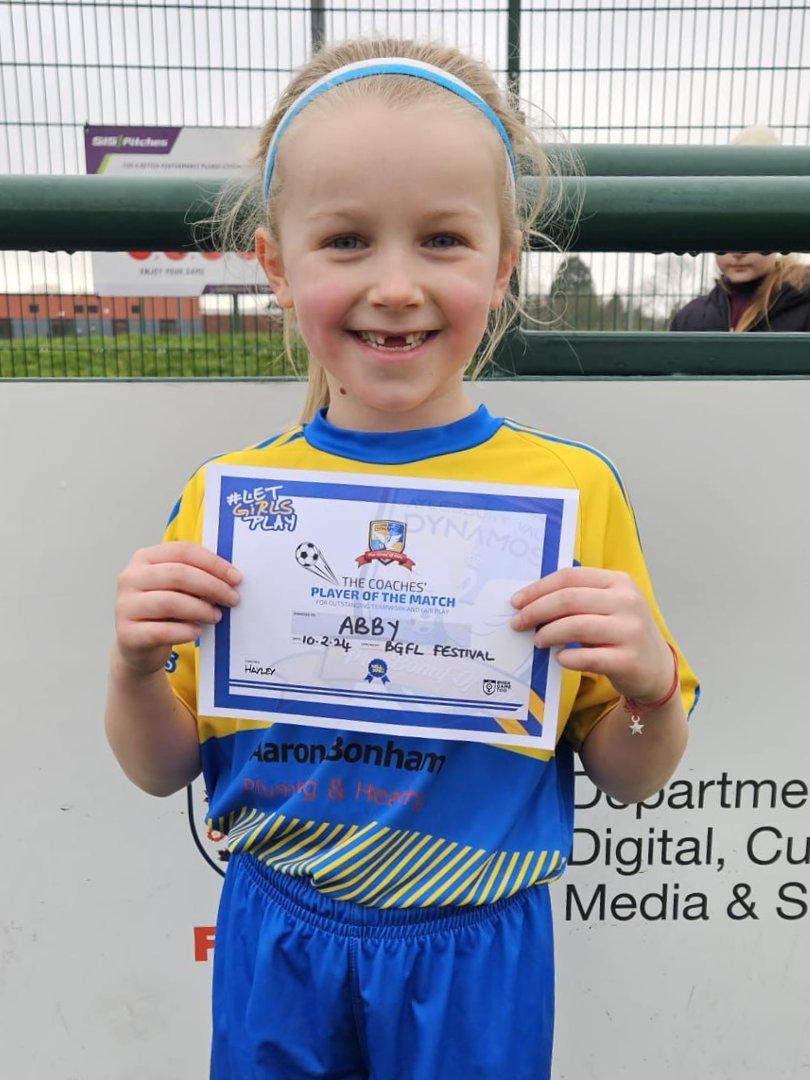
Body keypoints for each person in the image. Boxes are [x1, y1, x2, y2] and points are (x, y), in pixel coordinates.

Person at [105, 37, 699, 1080]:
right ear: (277, 267)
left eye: (440, 239)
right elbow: (160, 769)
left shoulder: (568, 495)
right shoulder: (226, 499)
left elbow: (632, 772)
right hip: (277, 931)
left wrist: (649, 686)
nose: (394, 285)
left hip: (475, 947)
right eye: (344, 240)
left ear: (502, 262)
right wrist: (133, 666)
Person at [670, 251, 810, 332]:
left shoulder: (804, 306)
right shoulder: (690, 316)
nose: (738, 253)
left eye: (753, 237)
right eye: (726, 238)